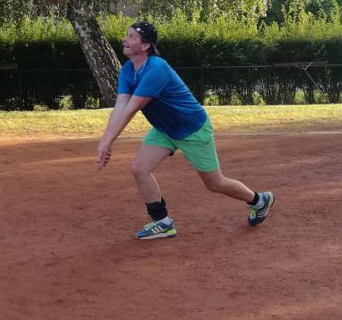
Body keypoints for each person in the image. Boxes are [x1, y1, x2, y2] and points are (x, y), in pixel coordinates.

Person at [96, 20, 274, 240]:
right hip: (165, 129)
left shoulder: (156, 69)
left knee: (215, 183)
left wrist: (107, 142)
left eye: (131, 36)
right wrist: (106, 140)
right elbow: (120, 107)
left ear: (145, 45)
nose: (125, 39)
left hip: (192, 129)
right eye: (127, 35)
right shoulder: (127, 70)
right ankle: (162, 222)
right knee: (140, 168)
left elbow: (131, 109)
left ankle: (258, 200)